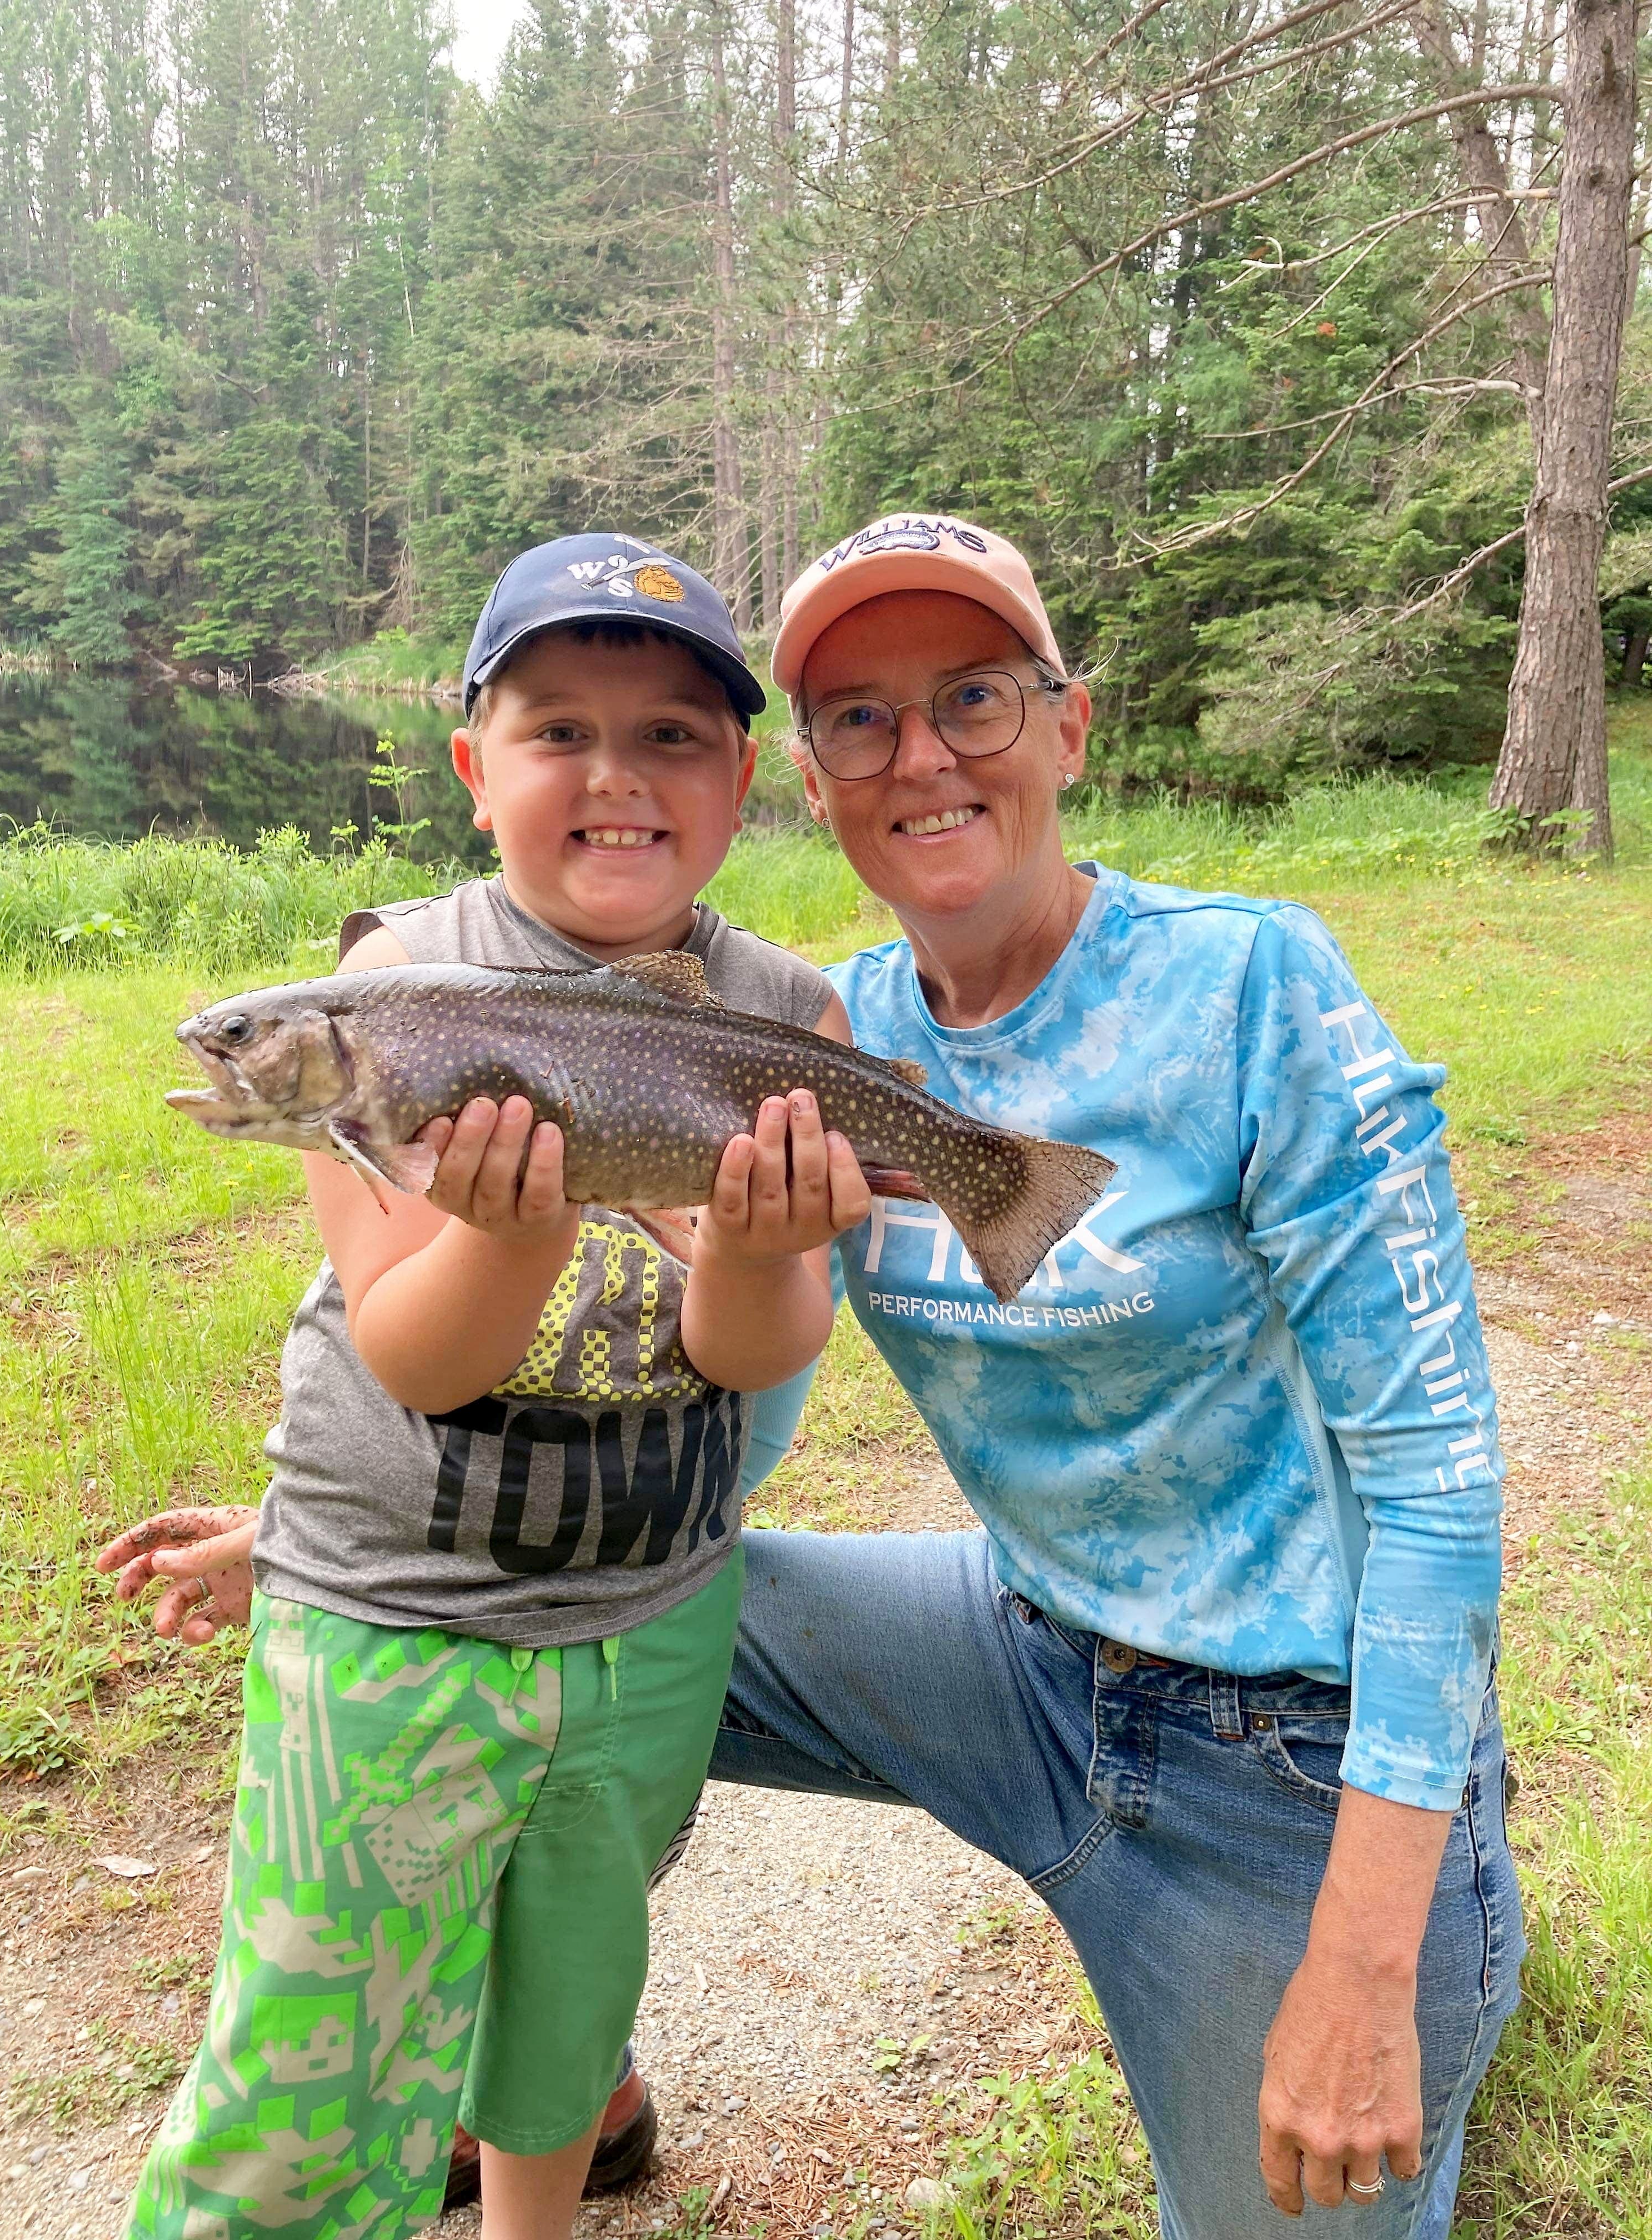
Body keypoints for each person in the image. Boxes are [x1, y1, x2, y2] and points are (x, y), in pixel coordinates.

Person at [674, 516, 1523, 2236]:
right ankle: (549, 2080)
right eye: (862, 719)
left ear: (1067, 728)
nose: (923, 756)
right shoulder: (830, 1040)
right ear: (815, 785)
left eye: (974, 698)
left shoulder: (1250, 987)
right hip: (1022, 1651)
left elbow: (1437, 1485)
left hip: (1286, 1746)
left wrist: (1366, 1965)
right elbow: (745, 1418)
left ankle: (1445, 1914)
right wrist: (393, 1555)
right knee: (552, 1624)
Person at [98, 532, 872, 2240]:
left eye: (671, 736)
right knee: (310, 2058)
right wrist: (519, 1232)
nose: (616, 775)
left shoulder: (787, 1015)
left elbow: (759, 1356)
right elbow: (414, 1355)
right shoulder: (390, 990)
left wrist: (756, 1254)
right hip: (392, 1620)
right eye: (558, 731)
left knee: (567, 2011)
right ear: (472, 765)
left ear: (743, 780)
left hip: (648, 1619)